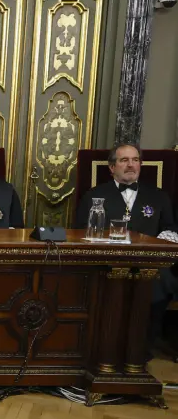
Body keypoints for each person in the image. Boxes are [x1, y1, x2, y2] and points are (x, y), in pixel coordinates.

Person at [75, 143, 178, 350]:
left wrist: (154, 247)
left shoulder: (158, 196)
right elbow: (79, 232)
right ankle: (101, 345)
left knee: (162, 281)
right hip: (106, 263)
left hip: (150, 265)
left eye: (135, 160)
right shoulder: (94, 196)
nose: (131, 165)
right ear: (112, 167)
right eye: (124, 160)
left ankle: (141, 347)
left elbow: (171, 229)